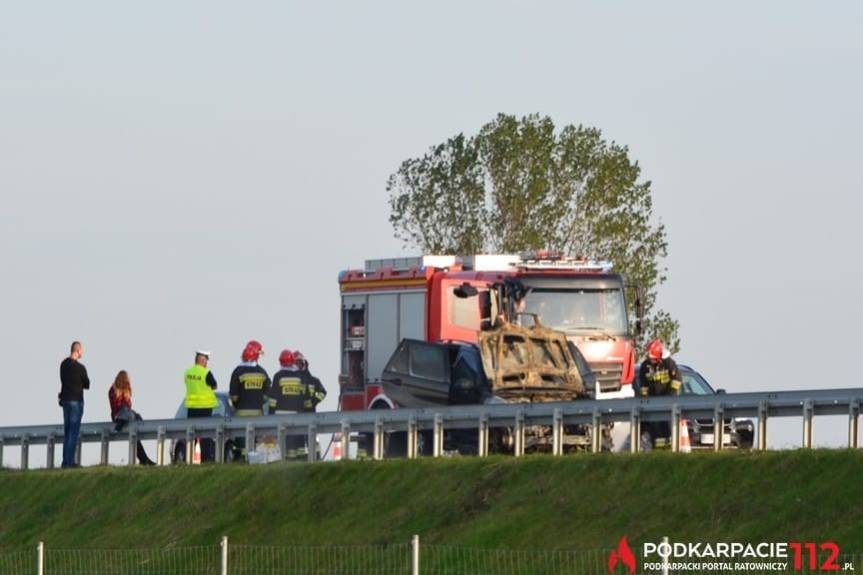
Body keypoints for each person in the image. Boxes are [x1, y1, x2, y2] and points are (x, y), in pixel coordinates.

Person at [637, 339, 682, 448]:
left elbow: (677, 380)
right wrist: (645, 400)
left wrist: (670, 396)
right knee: (655, 426)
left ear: (658, 356)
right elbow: (643, 385)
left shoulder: (668, 363)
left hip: (668, 401)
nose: (649, 359)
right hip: (653, 402)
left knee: (667, 424)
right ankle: (658, 449)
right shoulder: (645, 367)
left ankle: (670, 447)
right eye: (649, 357)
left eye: (652, 357)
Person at [267, 349, 311, 459]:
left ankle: (282, 460)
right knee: (293, 441)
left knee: (281, 441)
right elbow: (304, 396)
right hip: (295, 414)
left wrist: (270, 413)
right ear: (292, 361)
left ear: (280, 362)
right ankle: (292, 461)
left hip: (279, 415)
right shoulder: (299, 377)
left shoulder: (278, 376)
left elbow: (273, 398)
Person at [108, 370, 155, 465]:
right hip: (117, 415)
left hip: (126, 417)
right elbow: (116, 407)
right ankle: (144, 460)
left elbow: (128, 406)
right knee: (127, 411)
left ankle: (144, 459)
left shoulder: (126, 390)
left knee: (135, 415)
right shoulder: (113, 390)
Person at [59, 341, 90, 468]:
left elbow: (62, 380)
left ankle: (65, 461)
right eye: (81, 350)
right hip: (76, 401)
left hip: (65, 400)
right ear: (77, 351)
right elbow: (87, 384)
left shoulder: (63, 365)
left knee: (67, 431)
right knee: (73, 432)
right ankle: (69, 462)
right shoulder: (81, 368)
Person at [183, 350, 218, 461]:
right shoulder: (206, 372)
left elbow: (187, 383)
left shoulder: (188, 372)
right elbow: (215, 386)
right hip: (205, 407)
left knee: (191, 434)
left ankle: (190, 458)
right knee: (205, 434)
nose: (206, 363)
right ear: (201, 360)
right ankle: (206, 458)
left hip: (192, 407)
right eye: (206, 360)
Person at [229, 340, 271, 417]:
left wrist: (238, 404)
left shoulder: (237, 371)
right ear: (256, 355)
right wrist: (259, 402)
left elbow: (233, 396)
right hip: (258, 411)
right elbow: (268, 393)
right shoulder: (262, 372)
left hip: (241, 412)